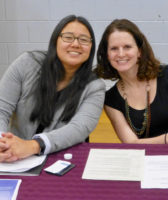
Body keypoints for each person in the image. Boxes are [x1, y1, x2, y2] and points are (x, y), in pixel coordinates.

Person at [0, 15, 105, 162]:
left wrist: (32, 146)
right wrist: (2, 143)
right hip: (13, 157)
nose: (76, 44)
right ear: (55, 41)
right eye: (68, 37)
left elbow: (79, 128)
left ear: (91, 48)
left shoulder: (95, 87)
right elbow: (2, 108)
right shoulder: (26, 63)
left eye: (83, 40)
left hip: (62, 159)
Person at [95, 18, 168, 155]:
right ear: (107, 55)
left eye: (127, 47)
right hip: (149, 159)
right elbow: (131, 143)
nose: (121, 54)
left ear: (139, 51)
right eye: (114, 48)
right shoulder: (111, 100)